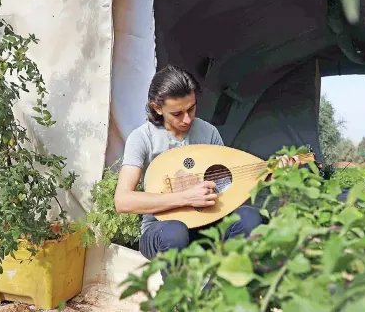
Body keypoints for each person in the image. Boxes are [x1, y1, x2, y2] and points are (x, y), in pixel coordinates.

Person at [114, 64, 299, 262]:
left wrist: (267, 175)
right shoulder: (142, 138)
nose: (187, 119)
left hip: (208, 222)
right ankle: (181, 293)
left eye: (191, 108)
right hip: (161, 229)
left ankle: (221, 288)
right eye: (177, 113)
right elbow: (123, 201)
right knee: (175, 233)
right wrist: (185, 198)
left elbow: (228, 188)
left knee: (250, 218)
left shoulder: (209, 133)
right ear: (157, 107)